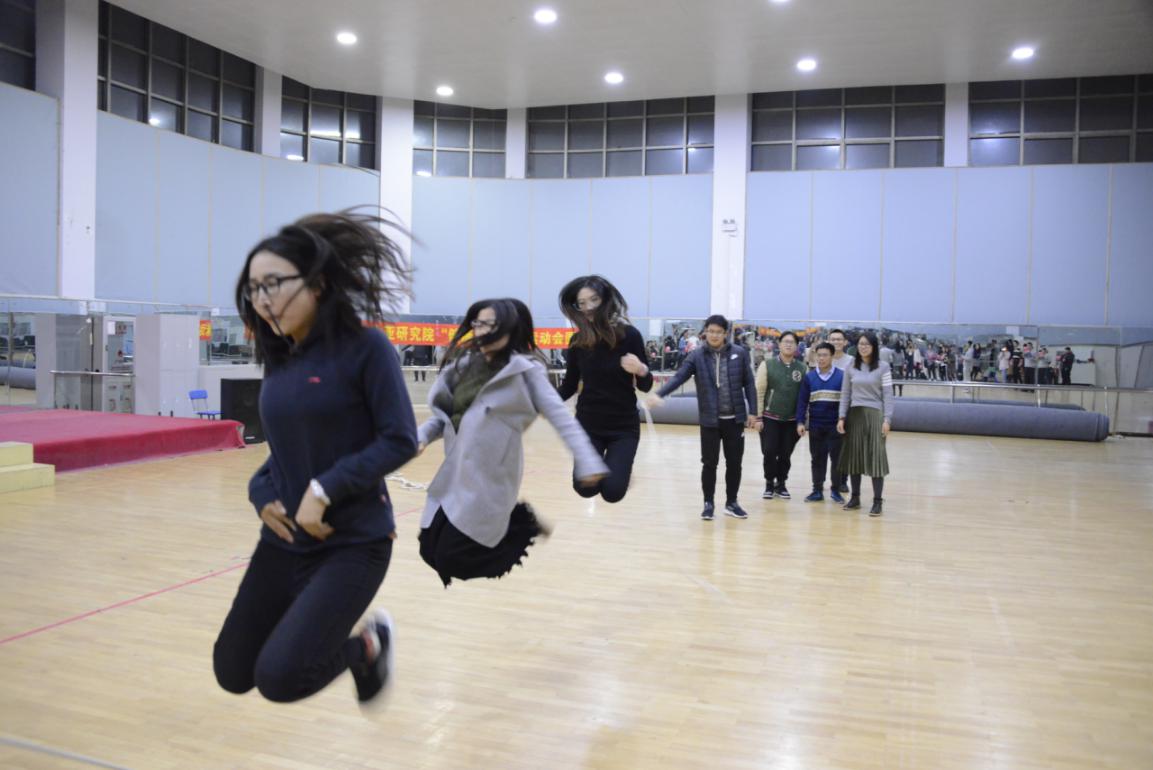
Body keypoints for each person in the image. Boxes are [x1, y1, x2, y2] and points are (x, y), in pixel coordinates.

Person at [214, 210, 418, 709]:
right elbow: (283, 452)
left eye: (274, 284)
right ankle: (352, 646)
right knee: (233, 671)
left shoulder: (366, 347)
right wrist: (261, 493)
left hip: (353, 543)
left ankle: (366, 646)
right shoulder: (280, 359)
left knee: (280, 678)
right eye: (253, 288)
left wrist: (325, 489)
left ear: (318, 283)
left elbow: (400, 439)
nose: (262, 299)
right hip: (285, 539)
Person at [415, 298, 608, 587]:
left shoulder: (525, 372)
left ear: (509, 328)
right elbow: (444, 417)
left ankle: (521, 527)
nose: (482, 331)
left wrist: (588, 461)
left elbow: (561, 417)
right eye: (479, 323)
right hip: (456, 468)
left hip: (492, 472)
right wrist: (419, 437)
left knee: (452, 558)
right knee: (428, 549)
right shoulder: (463, 367)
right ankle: (517, 517)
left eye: (491, 324)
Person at [647, 315, 759, 521]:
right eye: (711, 331)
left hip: (735, 420)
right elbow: (679, 377)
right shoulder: (696, 356)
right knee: (709, 463)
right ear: (705, 332)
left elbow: (749, 383)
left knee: (735, 463)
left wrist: (753, 412)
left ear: (726, 334)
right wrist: (659, 394)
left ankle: (731, 503)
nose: (714, 335)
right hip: (710, 420)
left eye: (719, 332)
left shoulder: (740, 353)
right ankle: (708, 503)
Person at [556, 275, 653, 504]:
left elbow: (646, 385)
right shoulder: (578, 341)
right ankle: (613, 470)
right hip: (588, 425)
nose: (588, 307)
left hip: (623, 427)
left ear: (605, 300)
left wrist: (641, 370)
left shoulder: (630, 335)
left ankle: (620, 473)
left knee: (612, 493)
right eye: (582, 303)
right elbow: (569, 385)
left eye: (593, 300)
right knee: (585, 489)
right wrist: (539, 401)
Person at [836, 331, 893, 517]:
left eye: (867, 344)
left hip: (875, 415)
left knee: (876, 457)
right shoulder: (851, 366)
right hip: (855, 415)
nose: (863, 347)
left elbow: (888, 396)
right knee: (855, 458)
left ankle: (877, 501)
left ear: (874, 347)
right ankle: (855, 498)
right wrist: (841, 417)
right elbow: (845, 393)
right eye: (861, 344)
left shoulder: (883, 367)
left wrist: (887, 419)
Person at [756, 331, 807, 500]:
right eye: (785, 341)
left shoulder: (802, 368)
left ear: (797, 346)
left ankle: (781, 483)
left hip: (792, 420)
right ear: (779, 344)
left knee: (786, 454)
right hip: (769, 418)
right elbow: (759, 392)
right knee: (769, 452)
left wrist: (802, 420)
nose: (788, 344)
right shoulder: (767, 365)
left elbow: (804, 396)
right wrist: (758, 417)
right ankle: (769, 483)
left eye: (792, 342)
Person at [796, 342, 845, 504]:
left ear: (832, 356)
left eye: (825, 355)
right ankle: (817, 490)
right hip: (816, 425)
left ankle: (836, 490)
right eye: (819, 355)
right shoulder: (809, 377)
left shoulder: (842, 376)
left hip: (835, 426)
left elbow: (846, 400)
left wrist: (843, 420)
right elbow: (802, 401)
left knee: (837, 459)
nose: (821, 358)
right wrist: (800, 422)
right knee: (817, 458)